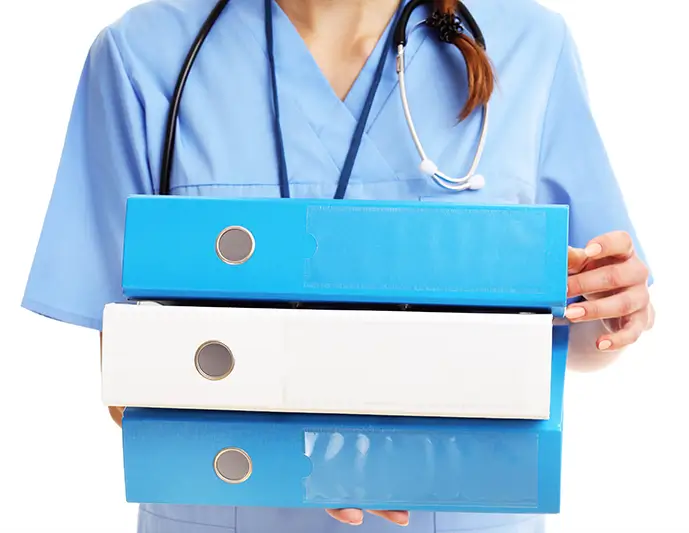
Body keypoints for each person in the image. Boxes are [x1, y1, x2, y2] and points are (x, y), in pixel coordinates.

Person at [21, 0, 655, 532]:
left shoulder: (529, 44)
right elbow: (128, 382)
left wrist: (612, 312)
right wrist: (293, 451)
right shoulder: (145, 55)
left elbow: (573, 336)